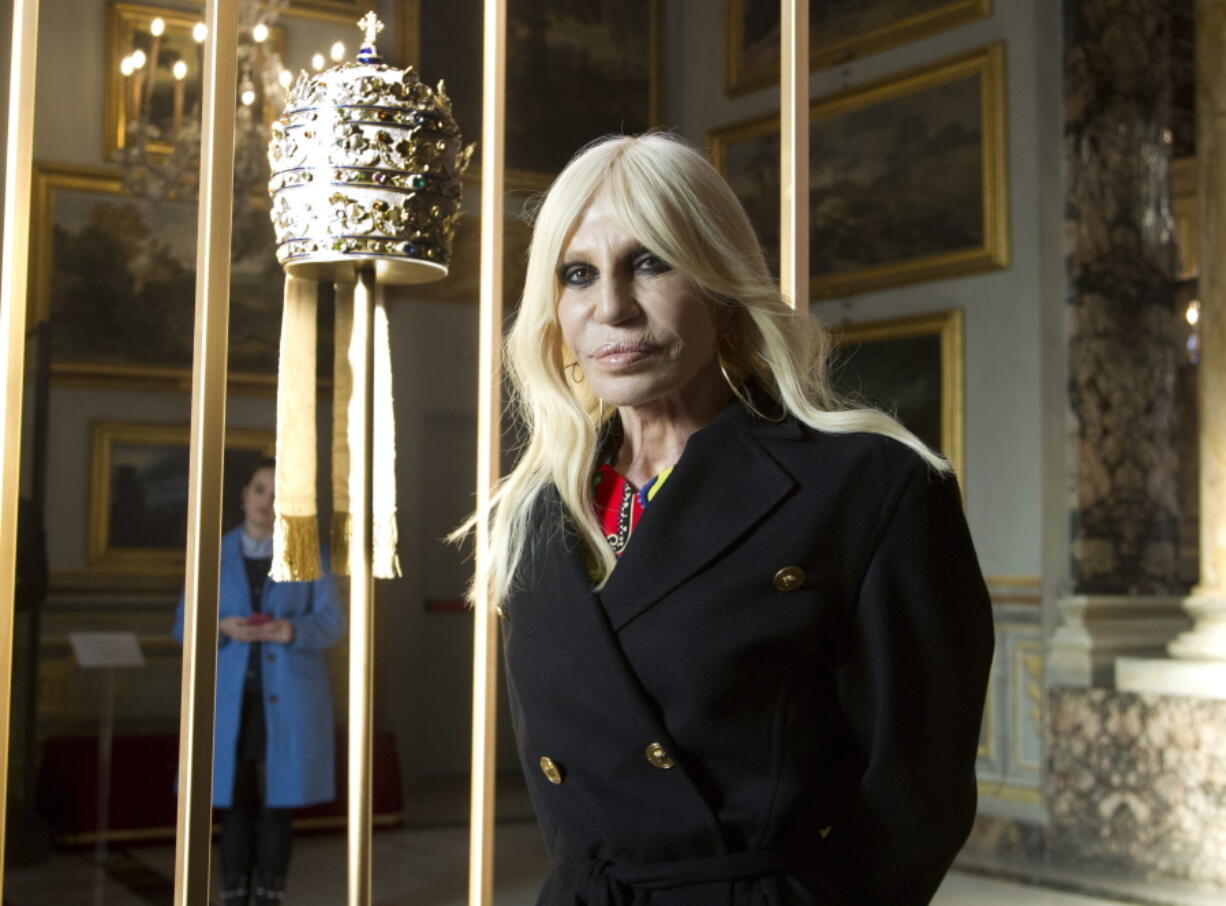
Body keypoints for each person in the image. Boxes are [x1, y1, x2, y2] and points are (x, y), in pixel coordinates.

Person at [459, 133, 995, 906]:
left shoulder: (872, 488)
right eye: (579, 274)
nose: (612, 306)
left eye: (649, 262)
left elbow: (919, 800)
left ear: (719, 281)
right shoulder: (536, 510)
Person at [173, 460, 343, 905]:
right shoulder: (211, 553)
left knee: (278, 803)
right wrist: (221, 626)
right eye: (260, 490)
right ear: (244, 495)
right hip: (231, 700)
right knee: (233, 802)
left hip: (287, 699)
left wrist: (290, 631)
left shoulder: (310, 556)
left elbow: (332, 624)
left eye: (277, 492)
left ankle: (269, 894)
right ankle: (232, 892)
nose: (267, 501)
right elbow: (182, 626)